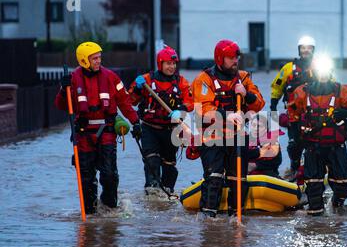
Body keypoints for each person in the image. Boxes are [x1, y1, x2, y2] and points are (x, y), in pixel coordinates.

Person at [55, 41, 141, 214]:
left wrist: (136, 122)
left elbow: (124, 101)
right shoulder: (72, 79)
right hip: (84, 134)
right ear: (84, 60)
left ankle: (109, 208)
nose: (98, 61)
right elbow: (61, 105)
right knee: (86, 178)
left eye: (99, 57)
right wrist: (64, 91)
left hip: (107, 132)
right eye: (94, 58)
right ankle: (90, 212)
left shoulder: (111, 77)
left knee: (109, 175)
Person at [191, 39, 265, 218]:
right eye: (230, 58)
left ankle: (235, 217)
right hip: (212, 136)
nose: (235, 61)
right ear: (219, 59)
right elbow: (203, 111)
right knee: (214, 177)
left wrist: (246, 95)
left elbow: (259, 104)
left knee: (238, 181)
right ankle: (208, 219)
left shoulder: (244, 78)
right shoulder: (204, 79)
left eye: (236, 57)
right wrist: (227, 115)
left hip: (238, 136)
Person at [291, 54, 347, 215]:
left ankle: (337, 206)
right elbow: (292, 114)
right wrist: (295, 139)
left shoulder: (341, 91)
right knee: (314, 189)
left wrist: (346, 112)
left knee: (343, 184)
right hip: (312, 147)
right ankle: (315, 224)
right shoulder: (302, 93)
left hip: (336, 146)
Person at [128, 46, 193, 196]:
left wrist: (181, 109)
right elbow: (130, 101)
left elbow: (191, 102)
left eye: (174, 64)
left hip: (171, 130)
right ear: (160, 64)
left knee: (169, 165)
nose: (172, 67)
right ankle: (152, 192)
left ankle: (168, 193)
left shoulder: (181, 82)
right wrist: (137, 89)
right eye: (168, 64)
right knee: (152, 161)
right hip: (150, 128)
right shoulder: (146, 80)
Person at [270, 36, 316, 181]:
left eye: (309, 48)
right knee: (294, 144)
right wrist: (273, 104)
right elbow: (277, 86)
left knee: (314, 144)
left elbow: (333, 86)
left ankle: (315, 170)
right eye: (303, 48)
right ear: (299, 50)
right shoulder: (289, 68)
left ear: (313, 50)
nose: (306, 50)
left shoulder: (320, 67)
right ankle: (294, 168)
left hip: (315, 115)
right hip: (294, 115)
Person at [247, 114, 284, 178]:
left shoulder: (272, 142)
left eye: (259, 126)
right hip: (246, 176)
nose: (256, 128)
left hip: (266, 176)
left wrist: (256, 165)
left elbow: (276, 160)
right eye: (253, 125)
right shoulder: (246, 141)